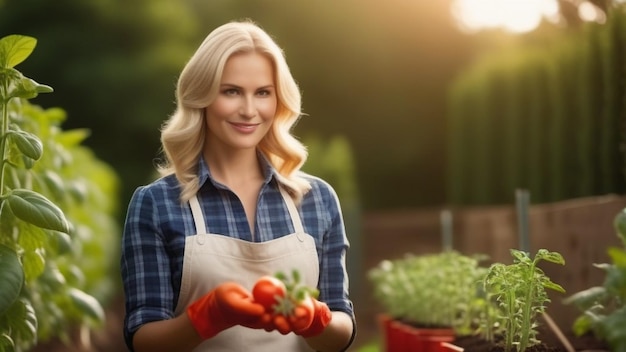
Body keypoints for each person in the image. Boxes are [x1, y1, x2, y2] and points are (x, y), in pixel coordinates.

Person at [120, 19, 356, 352]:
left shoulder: (317, 199)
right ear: (201, 96)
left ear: (278, 101)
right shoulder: (156, 204)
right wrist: (207, 315)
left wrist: (313, 319)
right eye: (231, 91)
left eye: (263, 93)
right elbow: (143, 338)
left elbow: (341, 325)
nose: (248, 110)